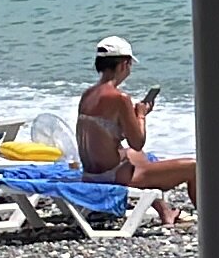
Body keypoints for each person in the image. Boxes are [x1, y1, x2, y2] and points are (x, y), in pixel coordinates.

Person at [78, 35, 200, 224]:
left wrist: (133, 119)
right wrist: (141, 115)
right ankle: (211, 218)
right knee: (193, 167)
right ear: (124, 64)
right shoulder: (120, 98)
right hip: (111, 177)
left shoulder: (88, 94)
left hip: (90, 173)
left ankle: (165, 211)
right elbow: (137, 142)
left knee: (137, 156)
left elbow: (106, 134)